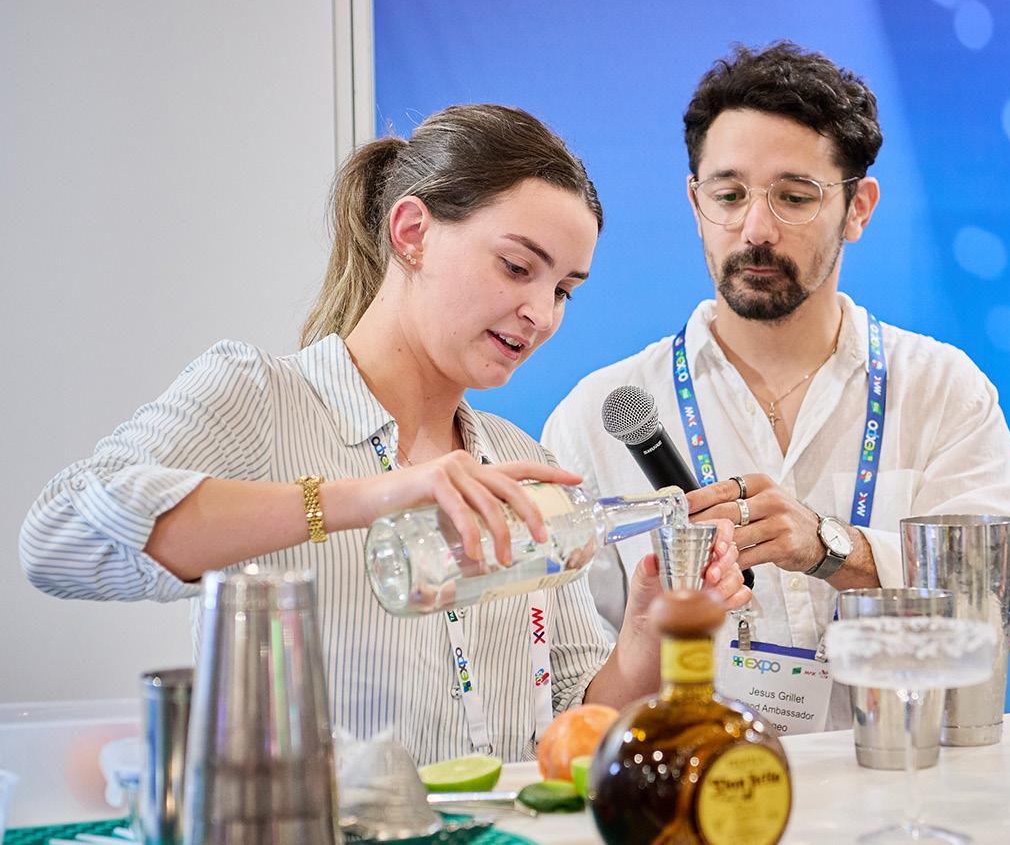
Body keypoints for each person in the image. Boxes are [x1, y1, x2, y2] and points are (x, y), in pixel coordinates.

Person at [20, 103, 748, 764]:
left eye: (563, 290)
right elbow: (58, 540)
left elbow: (573, 730)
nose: (541, 314)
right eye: (516, 266)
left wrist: (646, 636)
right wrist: (368, 497)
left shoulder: (521, 460)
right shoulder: (260, 398)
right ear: (412, 232)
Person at [542, 43, 1010, 730]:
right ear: (695, 203)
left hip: (900, 780)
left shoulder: (941, 390)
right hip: (697, 789)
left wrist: (833, 548)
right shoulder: (596, 417)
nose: (756, 229)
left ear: (858, 208)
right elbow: (573, 707)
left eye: (794, 197)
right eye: (728, 196)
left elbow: (995, 612)